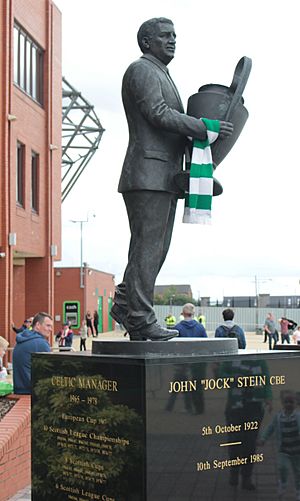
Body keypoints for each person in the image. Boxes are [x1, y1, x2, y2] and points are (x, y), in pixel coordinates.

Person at [110, 17, 233, 341]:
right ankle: (139, 316)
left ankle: (125, 305)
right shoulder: (141, 70)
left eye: (174, 35)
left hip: (163, 175)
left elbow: (168, 122)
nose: (172, 40)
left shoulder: (161, 72)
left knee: (154, 249)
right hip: (147, 173)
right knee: (148, 248)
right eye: (165, 35)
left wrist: (202, 135)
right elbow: (158, 113)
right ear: (147, 42)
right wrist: (203, 126)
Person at [259, 390, 300, 500]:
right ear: (282, 403)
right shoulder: (278, 417)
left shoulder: (298, 417)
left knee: (298, 472)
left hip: (297, 451)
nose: (289, 404)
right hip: (284, 450)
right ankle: (283, 482)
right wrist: (263, 438)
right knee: (282, 467)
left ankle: (298, 490)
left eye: (291, 402)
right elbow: (270, 428)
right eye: (286, 402)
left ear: (296, 403)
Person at [12, 312, 52, 394]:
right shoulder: (41, 343)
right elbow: (50, 371)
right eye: (48, 326)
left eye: (51, 326)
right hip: (32, 394)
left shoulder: (23, 338)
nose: (50, 329)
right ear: (37, 325)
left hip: (19, 390)